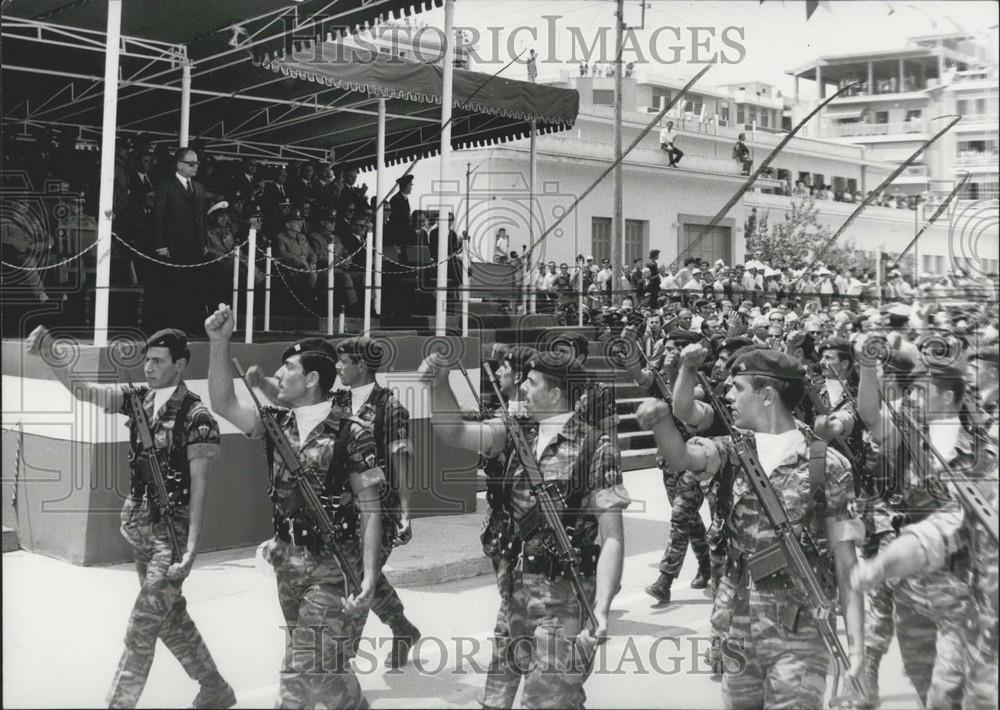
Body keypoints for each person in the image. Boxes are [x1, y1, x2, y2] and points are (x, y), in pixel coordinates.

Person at [637, 345, 865, 709]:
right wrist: (661, 422)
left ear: (767, 395)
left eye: (738, 388)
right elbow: (683, 457)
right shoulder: (732, 451)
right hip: (738, 623)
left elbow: (847, 564)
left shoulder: (829, 465)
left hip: (800, 627)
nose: (728, 395)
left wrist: (857, 647)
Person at [25, 326, 236, 710]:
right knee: (169, 618)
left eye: (158, 361)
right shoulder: (139, 399)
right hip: (141, 527)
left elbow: (200, 485)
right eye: (147, 360)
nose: (149, 367)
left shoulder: (196, 416)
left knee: (141, 627)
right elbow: (87, 392)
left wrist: (190, 550)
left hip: (171, 536)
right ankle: (215, 688)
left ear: (180, 364)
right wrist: (52, 354)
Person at [421, 348, 629, 709]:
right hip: (515, 592)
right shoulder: (516, 434)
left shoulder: (596, 446)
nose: (522, 388)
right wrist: (439, 384)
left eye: (532, 383)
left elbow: (612, 536)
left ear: (555, 393)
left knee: (549, 700)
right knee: (495, 700)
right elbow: (453, 433)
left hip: (564, 597)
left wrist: (603, 608)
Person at [205, 308, 383, 708]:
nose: (279, 375)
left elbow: (371, 508)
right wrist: (220, 344)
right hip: (287, 562)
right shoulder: (277, 425)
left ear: (312, 379)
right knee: (326, 671)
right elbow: (222, 403)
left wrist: (369, 578)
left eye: (288, 368)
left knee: (298, 676)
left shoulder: (351, 434)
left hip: (331, 569)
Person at [151, 147, 209, 333]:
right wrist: (160, 244)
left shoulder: (199, 188)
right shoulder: (166, 187)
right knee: (174, 286)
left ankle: (191, 324)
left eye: (197, 163)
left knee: (194, 286)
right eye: (191, 163)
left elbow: (202, 218)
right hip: (174, 245)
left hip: (195, 246)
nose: (195, 167)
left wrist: (204, 243)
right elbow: (158, 217)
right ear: (179, 165)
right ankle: (173, 325)